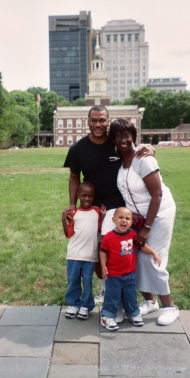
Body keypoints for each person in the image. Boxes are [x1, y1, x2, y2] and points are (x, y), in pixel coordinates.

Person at [63, 104, 154, 308]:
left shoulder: (116, 143)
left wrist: (151, 148)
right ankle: (106, 287)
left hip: (120, 206)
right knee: (95, 252)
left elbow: (135, 150)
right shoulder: (77, 149)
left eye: (102, 120)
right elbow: (74, 177)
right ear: (87, 121)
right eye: (94, 120)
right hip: (94, 208)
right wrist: (72, 204)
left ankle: (128, 295)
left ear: (108, 121)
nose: (98, 124)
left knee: (119, 251)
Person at [109, 117, 179, 326]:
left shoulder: (144, 159)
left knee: (151, 259)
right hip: (137, 216)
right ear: (113, 139)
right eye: (118, 136)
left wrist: (146, 229)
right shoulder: (120, 161)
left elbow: (156, 195)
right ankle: (150, 301)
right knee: (134, 258)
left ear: (133, 136)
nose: (123, 139)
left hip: (159, 214)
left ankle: (170, 306)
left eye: (127, 135)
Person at [100, 207, 161, 330]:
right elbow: (102, 251)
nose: (124, 221)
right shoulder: (109, 237)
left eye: (127, 218)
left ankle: (133, 313)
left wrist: (154, 253)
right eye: (120, 217)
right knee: (112, 296)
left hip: (130, 274)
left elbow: (142, 246)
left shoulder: (133, 235)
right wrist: (103, 265)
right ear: (114, 220)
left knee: (130, 295)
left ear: (131, 222)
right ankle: (107, 316)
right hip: (113, 275)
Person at [62, 182, 106, 320]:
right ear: (78, 195)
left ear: (94, 197)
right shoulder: (73, 213)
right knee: (73, 281)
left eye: (90, 196)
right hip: (74, 254)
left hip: (90, 256)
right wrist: (63, 219)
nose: (87, 198)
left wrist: (103, 216)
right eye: (84, 195)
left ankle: (86, 306)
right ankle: (73, 304)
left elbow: (98, 229)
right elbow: (68, 234)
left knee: (87, 282)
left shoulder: (97, 211)